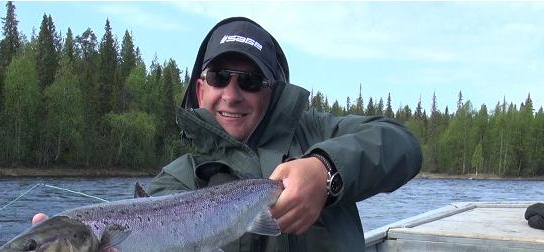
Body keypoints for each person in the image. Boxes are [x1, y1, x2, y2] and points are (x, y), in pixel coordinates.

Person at [34, 17, 422, 251]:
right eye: (219, 77)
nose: (232, 94)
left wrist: (326, 171)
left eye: (250, 81)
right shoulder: (178, 179)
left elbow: (401, 144)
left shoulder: (317, 131)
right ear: (200, 90)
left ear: (272, 90)